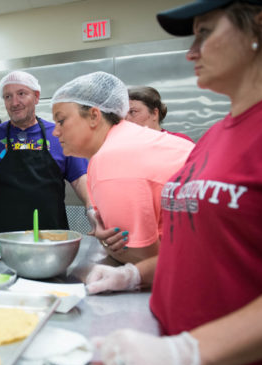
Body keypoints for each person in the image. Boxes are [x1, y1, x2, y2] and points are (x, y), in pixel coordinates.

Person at [87, 1, 262, 365]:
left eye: (205, 32)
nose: (190, 51)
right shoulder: (215, 137)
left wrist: (188, 353)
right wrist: (134, 275)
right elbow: (197, 249)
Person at [50, 72, 195, 264]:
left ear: (94, 116)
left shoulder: (112, 159)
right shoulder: (127, 140)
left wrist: (107, 244)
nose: (55, 131)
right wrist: (97, 220)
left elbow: (141, 258)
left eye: (61, 121)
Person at [0, 70, 93, 237]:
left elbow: (79, 178)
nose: (14, 102)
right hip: (2, 236)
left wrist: (91, 207)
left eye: (21, 94)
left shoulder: (57, 134)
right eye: (8, 97)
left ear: (37, 97)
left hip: (51, 235)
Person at [126, 85, 195, 142]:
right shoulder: (124, 144)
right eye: (123, 113)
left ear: (155, 113)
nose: (126, 119)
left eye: (133, 112)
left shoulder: (179, 141)